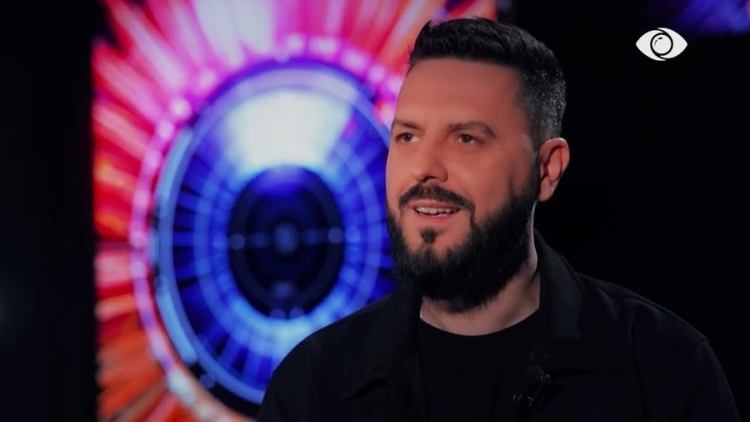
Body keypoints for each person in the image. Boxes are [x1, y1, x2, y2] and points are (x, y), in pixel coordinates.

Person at [256, 17, 740, 422]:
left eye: (466, 138)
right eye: (408, 137)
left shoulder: (660, 368)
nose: (424, 167)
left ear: (546, 170)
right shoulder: (312, 387)